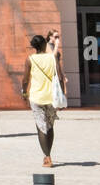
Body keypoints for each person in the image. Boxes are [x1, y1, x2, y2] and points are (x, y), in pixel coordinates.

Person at [21, 34, 66, 168]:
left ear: (34, 46)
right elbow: (59, 77)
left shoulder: (30, 59)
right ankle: (49, 153)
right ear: (44, 45)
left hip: (36, 97)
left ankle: (47, 157)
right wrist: (62, 95)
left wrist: (24, 92)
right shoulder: (52, 58)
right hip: (51, 97)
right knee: (50, 126)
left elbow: (25, 79)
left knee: (41, 126)